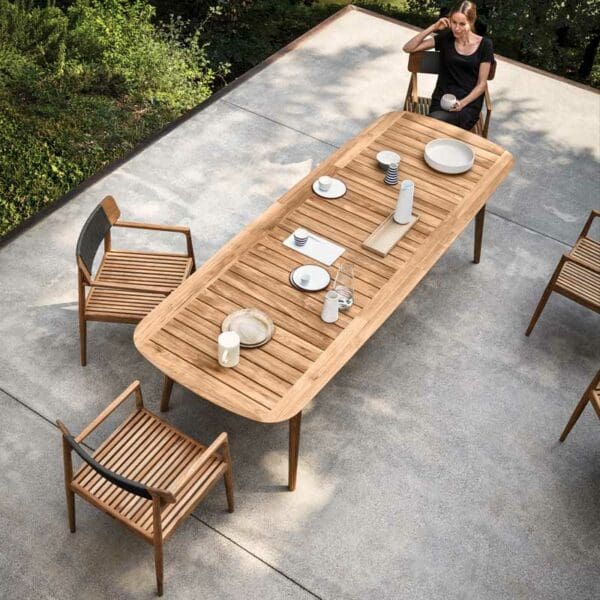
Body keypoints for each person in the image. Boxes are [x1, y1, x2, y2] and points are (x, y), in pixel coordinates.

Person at [402, 1, 494, 131]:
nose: (457, 28)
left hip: (467, 105)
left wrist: (462, 103)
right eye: (454, 22)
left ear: (471, 22)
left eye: (462, 24)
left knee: (433, 125)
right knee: (436, 124)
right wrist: (433, 27)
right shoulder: (446, 38)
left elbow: (481, 84)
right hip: (442, 100)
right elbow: (408, 48)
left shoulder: (485, 45)